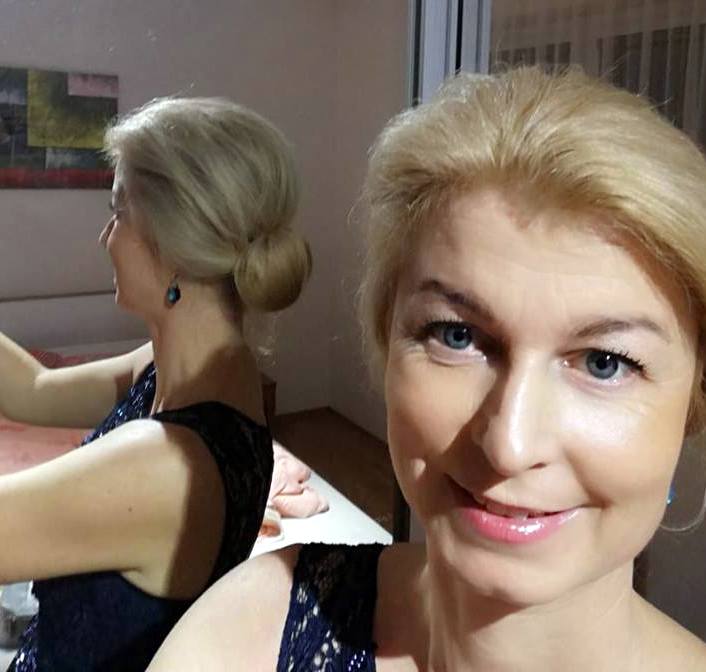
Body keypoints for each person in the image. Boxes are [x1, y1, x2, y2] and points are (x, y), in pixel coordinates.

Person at [149, 66, 706, 671]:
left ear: (692, 404)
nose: (510, 447)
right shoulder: (254, 627)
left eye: (605, 363)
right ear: (386, 345)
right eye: (456, 336)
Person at [0, 96, 311, 671]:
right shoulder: (206, 369)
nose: (105, 237)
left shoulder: (163, 464)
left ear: (174, 244)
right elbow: (35, 389)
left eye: (119, 211)